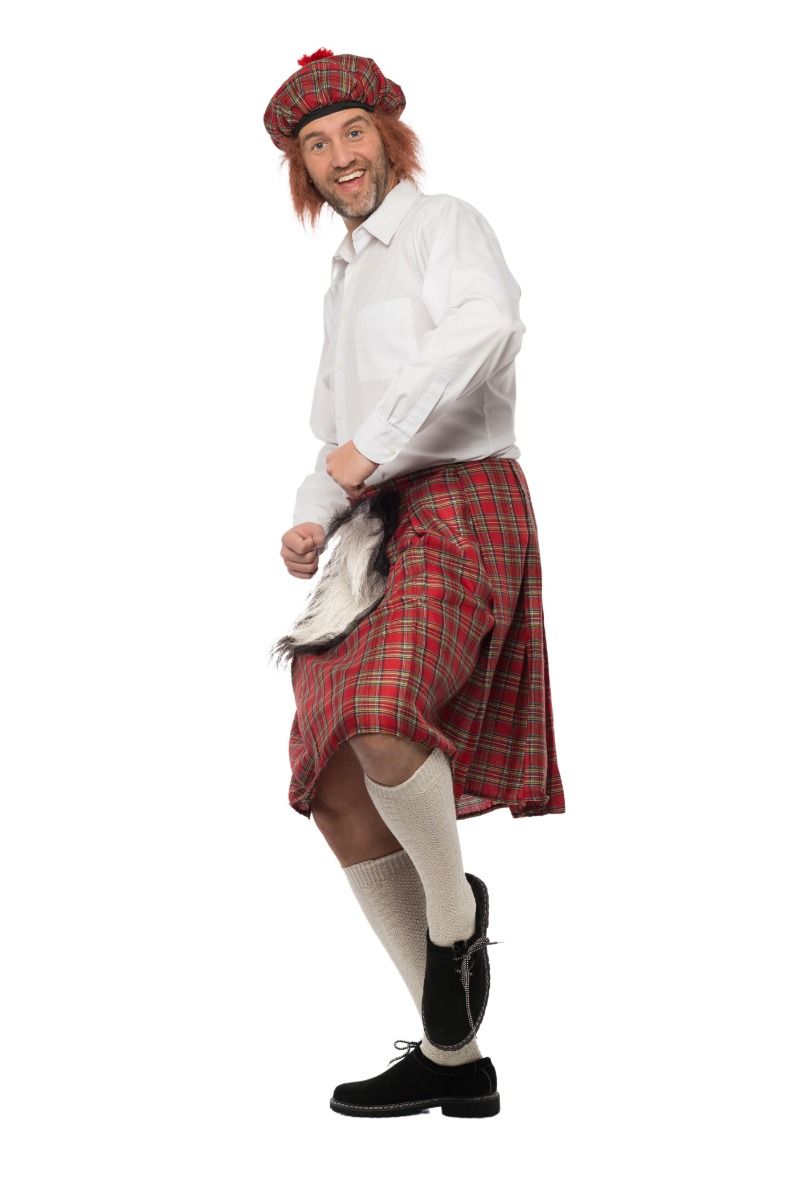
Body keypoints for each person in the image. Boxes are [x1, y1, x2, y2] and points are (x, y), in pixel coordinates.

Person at [264, 48, 566, 1119]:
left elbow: (488, 328)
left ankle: (454, 920)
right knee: (332, 781)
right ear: (303, 169)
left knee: (386, 714)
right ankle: (454, 1059)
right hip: (372, 529)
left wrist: (370, 448)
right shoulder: (342, 282)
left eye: (353, 131)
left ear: (389, 136)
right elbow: (332, 442)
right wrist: (313, 514)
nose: (340, 156)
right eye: (316, 144)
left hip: (463, 503)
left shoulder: (443, 226)